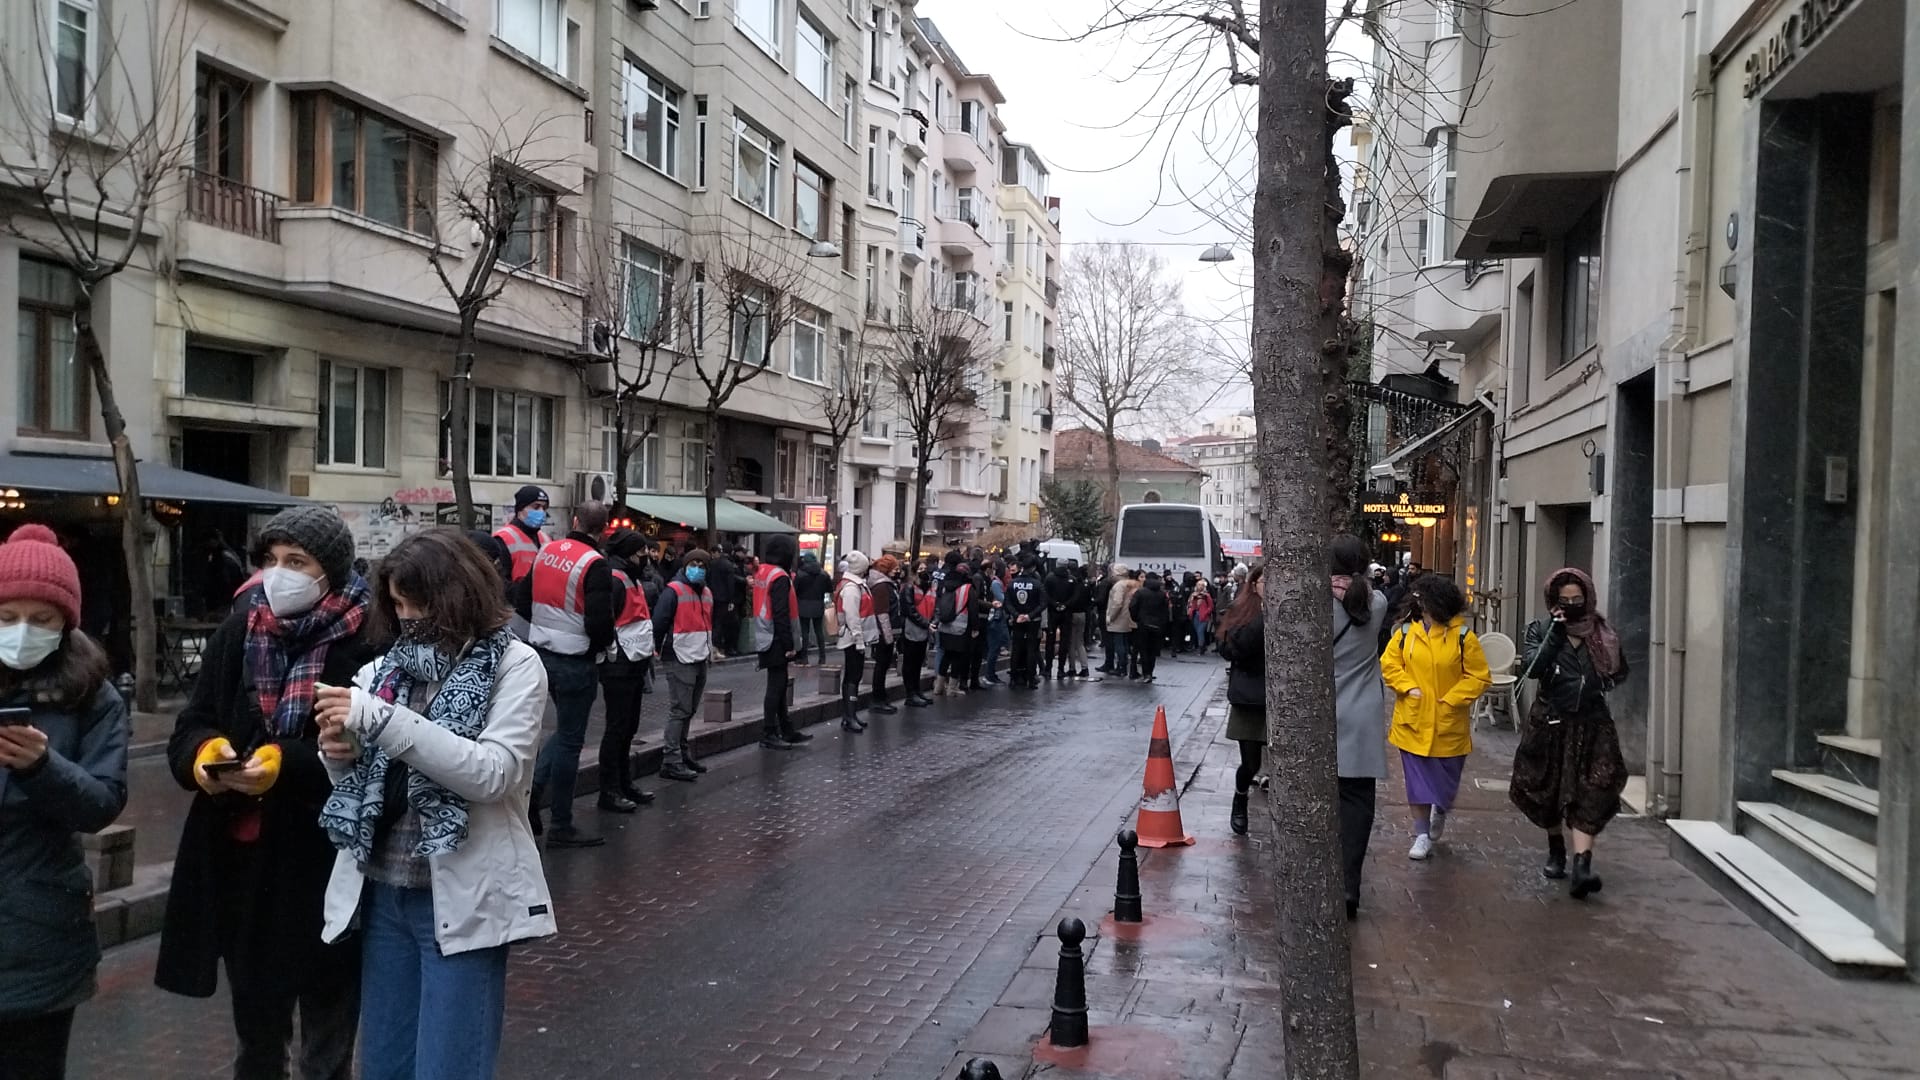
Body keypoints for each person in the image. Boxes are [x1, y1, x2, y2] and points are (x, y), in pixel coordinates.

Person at [312, 529, 556, 1080]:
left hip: (460, 898)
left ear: (455, 594)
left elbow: (492, 773)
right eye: (397, 604)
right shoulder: (383, 673)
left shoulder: (515, 666)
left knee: (450, 1065)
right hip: (382, 895)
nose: (406, 618)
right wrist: (339, 754)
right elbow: (360, 789)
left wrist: (381, 720)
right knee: (384, 1065)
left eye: (417, 602)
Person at [157, 506, 377, 1080]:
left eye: (297, 562)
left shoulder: (369, 640)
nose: (279, 574)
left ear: (329, 569)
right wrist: (207, 758)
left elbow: (378, 752)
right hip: (246, 865)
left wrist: (288, 762)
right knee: (257, 1040)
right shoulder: (241, 628)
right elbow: (193, 724)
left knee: (327, 1040)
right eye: (272, 560)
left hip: (328, 866)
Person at [0, 524, 130, 1080]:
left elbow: (102, 802)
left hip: (42, 928)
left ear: (66, 623)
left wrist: (41, 767)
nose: (21, 631)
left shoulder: (92, 696)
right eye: (6, 617)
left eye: (41, 619)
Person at [1510, 567, 1630, 899]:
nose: (1572, 605)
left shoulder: (1603, 632)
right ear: (1553, 601)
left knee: (1594, 788)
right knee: (1546, 788)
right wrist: (1555, 633)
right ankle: (1556, 848)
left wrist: (1599, 674)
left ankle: (1582, 865)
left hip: (1593, 724)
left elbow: (1619, 672)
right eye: (1565, 600)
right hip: (1551, 722)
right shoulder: (1540, 629)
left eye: (1578, 599)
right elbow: (1533, 669)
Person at [516, 501, 616, 849]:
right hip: (576, 662)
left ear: (574, 520)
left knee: (563, 734)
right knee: (572, 741)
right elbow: (600, 623)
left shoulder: (546, 552)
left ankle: (530, 800)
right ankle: (561, 822)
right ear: (602, 529)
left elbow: (522, 600)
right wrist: (601, 647)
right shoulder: (595, 564)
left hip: (542, 656)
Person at [1380, 575, 1490, 861]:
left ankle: (1440, 809)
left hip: (1447, 723)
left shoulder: (1464, 638)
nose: (1423, 608)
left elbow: (1479, 676)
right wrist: (1407, 686)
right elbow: (1389, 665)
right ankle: (1421, 834)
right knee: (1416, 782)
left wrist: (1453, 699)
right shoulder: (1405, 634)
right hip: (1412, 722)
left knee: (1445, 785)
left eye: (1427, 603)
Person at [1329, 536, 1389, 918]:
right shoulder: (1377, 602)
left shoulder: (1315, 603)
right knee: (1357, 800)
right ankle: (1350, 882)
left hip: (1323, 707)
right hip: (1363, 709)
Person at [596, 530, 657, 811]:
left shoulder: (631, 577)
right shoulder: (617, 579)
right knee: (617, 728)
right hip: (619, 666)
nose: (645, 557)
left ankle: (624, 783)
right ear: (627, 554)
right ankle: (609, 791)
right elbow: (608, 622)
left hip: (634, 663)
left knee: (628, 727)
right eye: (639, 553)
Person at [651, 549, 714, 782]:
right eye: (693, 563)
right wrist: (655, 648)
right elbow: (659, 621)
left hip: (699, 655)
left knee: (689, 710)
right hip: (678, 656)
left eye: (702, 565)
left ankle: (682, 754)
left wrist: (710, 651)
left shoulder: (706, 592)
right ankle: (671, 760)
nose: (697, 568)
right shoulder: (674, 590)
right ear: (685, 565)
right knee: (680, 710)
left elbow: (707, 624)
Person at [1213, 565, 1266, 838]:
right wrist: (1263, 618)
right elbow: (1233, 649)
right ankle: (1240, 798)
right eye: (1264, 580)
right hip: (1251, 698)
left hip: (1282, 699)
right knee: (1250, 763)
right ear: (1254, 583)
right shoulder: (1243, 610)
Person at [751, 535, 812, 751]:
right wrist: (789, 645)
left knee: (778, 684)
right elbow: (781, 613)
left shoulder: (763, 572)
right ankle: (770, 732)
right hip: (776, 638)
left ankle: (785, 729)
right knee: (776, 687)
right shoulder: (780, 577)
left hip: (765, 634)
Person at [834, 552, 878, 733]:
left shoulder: (854, 585)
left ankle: (850, 715)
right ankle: (849, 716)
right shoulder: (852, 588)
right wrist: (859, 640)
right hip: (852, 639)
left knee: (854, 676)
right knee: (853, 676)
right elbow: (852, 617)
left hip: (854, 638)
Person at [492, 485, 549, 587]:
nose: (541, 512)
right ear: (520, 509)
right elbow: (498, 583)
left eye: (544, 508)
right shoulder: (503, 538)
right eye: (536, 507)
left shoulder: (546, 539)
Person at [866, 555, 902, 715]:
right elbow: (882, 613)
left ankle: (881, 697)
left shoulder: (887, 585)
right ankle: (878, 699)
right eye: (894, 568)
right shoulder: (882, 587)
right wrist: (888, 637)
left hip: (886, 631)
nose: (898, 571)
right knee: (881, 666)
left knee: (884, 665)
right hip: (882, 633)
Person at [933, 565, 976, 697]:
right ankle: (952, 688)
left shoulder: (946, 587)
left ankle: (938, 686)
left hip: (945, 626)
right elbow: (973, 609)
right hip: (961, 628)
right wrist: (975, 627)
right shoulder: (967, 588)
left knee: (946, 656)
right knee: (957, 657)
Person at [898, 567, 936, 707]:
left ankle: (916, 690)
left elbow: (933, 604)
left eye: (925, 568)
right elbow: (910, 610)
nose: (924, 571)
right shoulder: (909, 588)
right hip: (912, 628)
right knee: (910, 662)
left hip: (924, 627)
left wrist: (931, 622)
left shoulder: (928, 587)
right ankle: (910, 693)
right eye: (920, 569)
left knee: (918, 661)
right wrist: (926, 623)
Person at [1005, 557, 1046, 689]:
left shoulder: (1012, 583)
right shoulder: (1037, 584)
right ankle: (1030, 678)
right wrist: (1030, 615)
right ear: (1033, 568)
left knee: (1016, 649)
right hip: (1033, 620)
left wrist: (1017, 615)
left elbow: (1008, 603)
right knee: (1031, 650)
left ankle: (1013, 678)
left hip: (1017, 620)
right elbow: (1043, 603)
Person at [1128, 572, 1170, 682]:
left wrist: (1136, 619)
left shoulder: (1140, 592)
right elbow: (1165, 610)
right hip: (1157, 625)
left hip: (1143, 624)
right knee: (1152, 651)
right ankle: (1150, 672)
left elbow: (1132, 607)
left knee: (1143, 650)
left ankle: (1146, 674)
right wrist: (1162, 623)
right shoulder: (1162, 594)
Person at [199, 529, 250, 618]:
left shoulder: (223, 555)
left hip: (224, 596)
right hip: (225, 595)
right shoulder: (225, 553)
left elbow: (225, 577)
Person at [793, 555, 830, 665]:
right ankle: (822, 657)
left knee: (805, 632)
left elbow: (795, 590)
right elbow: (829, 589)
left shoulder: (800, 574)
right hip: (818, 604)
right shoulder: (823, 574)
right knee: (819, 631)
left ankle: (804, 657)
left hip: (803, 605)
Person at [1105, 564, 1140, 679]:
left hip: (1119, 618)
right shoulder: (1133, 584)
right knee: (1125, 643)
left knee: (1119, 643)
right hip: (1129, 617)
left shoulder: (1119, 585)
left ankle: (1121, 667)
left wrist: (1111, 617)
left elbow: (1117, 603)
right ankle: (1125, 667)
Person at [707, 548, 742, 659]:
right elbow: (730, 584)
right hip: (724, 599)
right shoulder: (728, 565)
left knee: (715, 622)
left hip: (712, 596)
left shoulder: (711, 564)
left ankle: (714, 646)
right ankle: (719, 647)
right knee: (723, 623)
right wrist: (731, 600)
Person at [1042, 560, 1074, 679]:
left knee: (1050, 641)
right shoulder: (1071, 579)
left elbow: (1045, 594)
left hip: (1052, 613)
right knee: (1064, 642)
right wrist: (1066, 604)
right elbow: (1075, 595)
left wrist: (1054, 604)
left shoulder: (1050, 578)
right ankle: (1061, 669)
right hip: (1067, 613)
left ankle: (1048, 669)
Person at [981, 562, 1010, 686]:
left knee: (996, 647)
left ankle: (991, 674)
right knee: (994, 648)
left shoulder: (996, 582)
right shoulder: (996, 583)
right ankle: (989, 675)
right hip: (995, 618)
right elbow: (1002, 599)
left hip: (998, 617)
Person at [1063, 565, 1092, 679]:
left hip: (1073, 613)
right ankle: (1085, 668)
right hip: (1083, 614)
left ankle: (1072, 668)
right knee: (1080, 643)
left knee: (1071, 642)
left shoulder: (1073, 584)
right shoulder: (1086, 585)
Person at [1092, 566, 1119, 673]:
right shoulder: (1116, 583)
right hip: (1113, 612)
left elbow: (1101, 599)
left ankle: (1109, 663)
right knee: (1112, 639)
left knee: (1108, 639)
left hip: (1105, 612)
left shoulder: (1105, 583)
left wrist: (1093, 601)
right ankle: (1112, 663)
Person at [1188, 579, 1215, 653]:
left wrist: (1206, 612)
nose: (1199, 586)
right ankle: (1201, 645)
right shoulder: (1193, 594)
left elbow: (1211, 606)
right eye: (1198, 585)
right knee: (1197, 631)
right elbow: (1190, 604)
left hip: (1203, 616)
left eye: (1201, 585)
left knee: (1200, 631)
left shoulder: (1206, 596)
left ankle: (1201, 647)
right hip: (1195, 615)